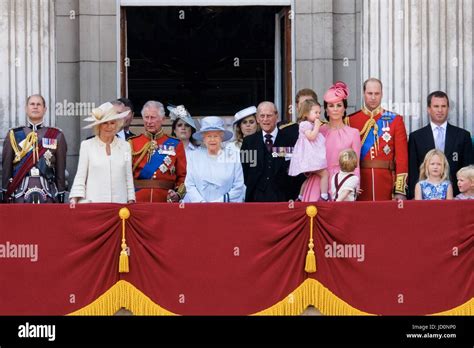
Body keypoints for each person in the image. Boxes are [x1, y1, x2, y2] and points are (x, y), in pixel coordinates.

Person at [347, 78, 409, 201]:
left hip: (386, 182)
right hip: (360, 182)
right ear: (364, 94)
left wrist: (400, 190)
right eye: (370, 93)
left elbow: (402, 159)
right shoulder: (350, 121)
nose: (373, 97)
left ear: (382, 94)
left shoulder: (395, 120)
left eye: (377, 93)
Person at [1, 94, 67, 203]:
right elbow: (6, 166)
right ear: (26, 109)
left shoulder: (56, 135)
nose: (35, 107)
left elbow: (60, 168)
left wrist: (60, 192)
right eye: (32, 104)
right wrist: (5, 191)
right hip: (19, 191)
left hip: (48, 191)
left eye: (39, 104)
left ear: (44, 109)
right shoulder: (14, 134)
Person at [301, 81, 361, 201]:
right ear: (326, 110)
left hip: (342, 182)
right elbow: (307, 154)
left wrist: (355, 184)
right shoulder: (318, 131)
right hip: (318, 181)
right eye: (331, 106)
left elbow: (356, 164)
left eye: (339, 105)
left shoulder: (353, 133)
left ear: (344, 109)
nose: (335, 109)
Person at [408, 91, 473, 198]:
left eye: (443, 106)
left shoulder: (463, 135)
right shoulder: (416, 137)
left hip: (457, 196)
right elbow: (413, 170)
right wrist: (413, 196)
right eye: (436, 106)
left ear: (448, 108)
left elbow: (468, 169)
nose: (440, 110)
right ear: (428, 109)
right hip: (424, 198)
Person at [69, 102, 135, 204]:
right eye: (105, 123)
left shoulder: (125, 146)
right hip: (94, 204)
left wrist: (131, 199)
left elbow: (128, 176)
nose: (109, 127)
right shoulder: (87, 145)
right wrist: (75, 198)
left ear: (117, 125)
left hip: (119, 205)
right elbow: (80, 176)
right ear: (98, 126)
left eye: (112, 123)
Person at [129, 100, 186, 203]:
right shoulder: (132, 143)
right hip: (138, 199)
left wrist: (177, 194)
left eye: (153, 117)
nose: (149, 121)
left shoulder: (175, 144)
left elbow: (182, 175)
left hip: (165, 199)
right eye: (146, 117)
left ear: (163, 119)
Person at [240, 101, 297, 202]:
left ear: (277, 116)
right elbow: (245, 170)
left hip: (283, 198)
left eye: (269, 116)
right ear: (257, 118)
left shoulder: (290, 140)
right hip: (255, 199)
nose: (265, 119)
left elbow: (295, 168)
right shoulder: (248, 142)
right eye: (262, 116)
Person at [184, 117, 245, 202]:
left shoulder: (233, 156)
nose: (212, 140)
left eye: (216, 136)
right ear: (203, 139)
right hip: (198, 208)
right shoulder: (194, 156)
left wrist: (219, 202)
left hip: (225, 208)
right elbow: (189, 184)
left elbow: (238, 186)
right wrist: (201, 203)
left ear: (221, 138)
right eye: (209, 136)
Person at [288, 99, 329, 201]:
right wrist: (317, 126)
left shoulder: (310, 124)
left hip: (311, 157)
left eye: (319, 112)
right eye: (315, 112)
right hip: (309, 158)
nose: (318, 115)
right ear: (306, 113)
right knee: (325, 174)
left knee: (309, 177)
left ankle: (301, 196)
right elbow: (311, 136)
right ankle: (324, 195)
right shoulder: (305, 124)